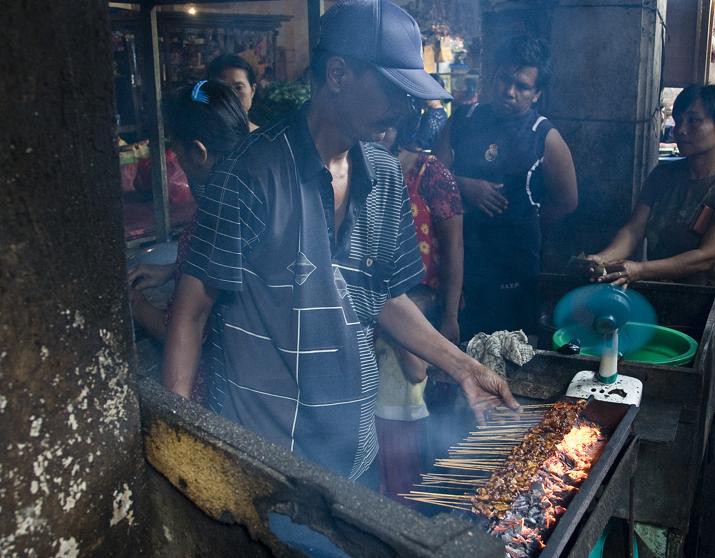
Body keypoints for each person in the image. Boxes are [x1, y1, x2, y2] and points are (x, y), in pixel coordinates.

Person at [163, 0, 517, 486]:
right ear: (338, 74)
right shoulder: (248, 173)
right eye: (394, 89)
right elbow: (191, 311)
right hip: (263, 458)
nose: (406, 108)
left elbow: (385, 296)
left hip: (354, 449)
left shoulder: (385, 174)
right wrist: (179, 443)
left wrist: (462, 367)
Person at [587, 84, 715, 410]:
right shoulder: (664, 175)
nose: (681, 129)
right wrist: (604, 258)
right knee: (653, 394)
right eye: (678, 120)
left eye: (694, 121)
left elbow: (706, 257)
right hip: (661, 300)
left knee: (698, 405)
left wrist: (639, 269)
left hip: (707, 308)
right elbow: (634, 230)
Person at [435, 36, 577, 338]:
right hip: (457, 263)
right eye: (504, 80)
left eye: (522, 87)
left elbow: (567, 201)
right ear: (494, 76)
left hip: (514, 270)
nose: (509, 92)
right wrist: (463, 186)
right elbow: (431, 178)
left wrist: (524, 220)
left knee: (510, 354)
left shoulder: (545, 137)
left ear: (536, 93)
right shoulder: (463, 119)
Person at [373, 126, 463, 500]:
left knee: (401, 476)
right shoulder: (355, 167)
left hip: (412, 308)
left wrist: (448, 316)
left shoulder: (430, 172)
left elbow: (415, 366)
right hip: (390, 315)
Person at [128, 80, 250, 344]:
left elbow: (186, 337)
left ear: (198, 152)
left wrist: (133, 302)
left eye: (176, 148)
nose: (177, 160)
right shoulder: (252, 189)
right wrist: (174, 270)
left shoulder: (221, 216)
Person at [208, 54, 260, 131]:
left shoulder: (267, 139)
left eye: (238, 88)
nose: (230, 95)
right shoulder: (200, 136)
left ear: (252, 90)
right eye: (222, 88)